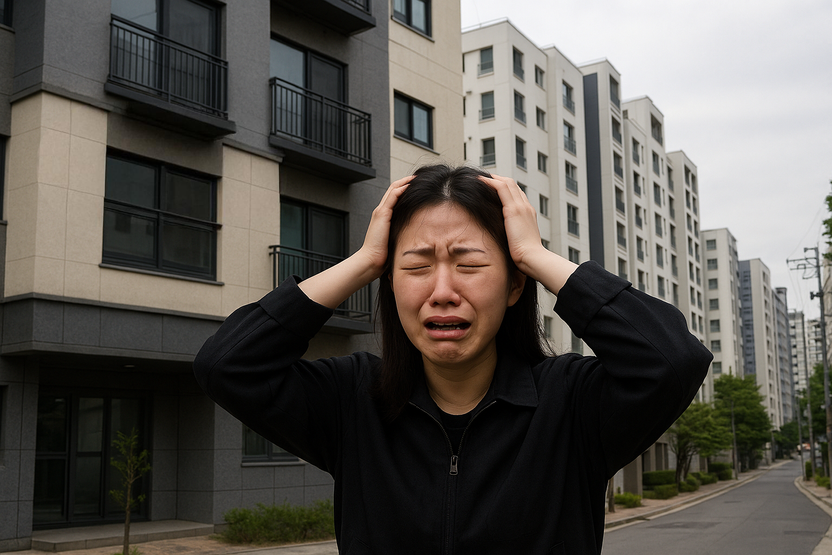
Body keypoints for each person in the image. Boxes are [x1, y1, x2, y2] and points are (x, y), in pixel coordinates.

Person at [194, 164, 712, 554]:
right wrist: (363, 261)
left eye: (470, 265)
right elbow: (227, 364)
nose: (442, 291)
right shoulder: (353, 401)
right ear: (389, 284)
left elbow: (672, 359)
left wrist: (536, 256)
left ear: (513, 286)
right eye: (416, 266)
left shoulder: (571, 404)